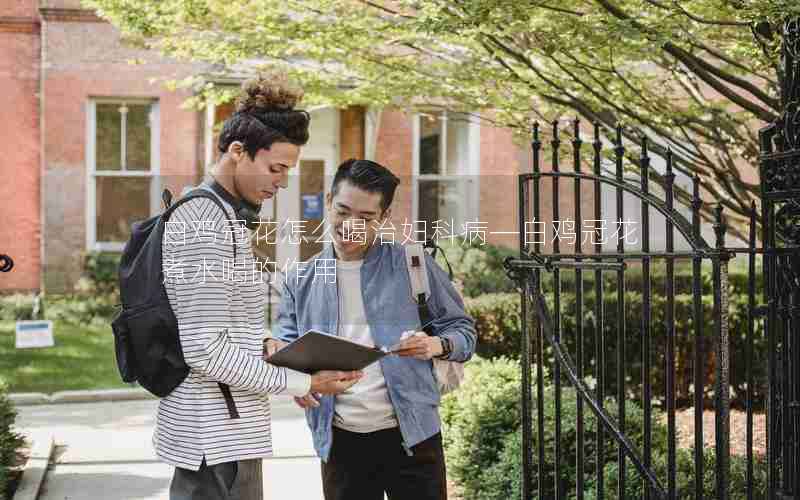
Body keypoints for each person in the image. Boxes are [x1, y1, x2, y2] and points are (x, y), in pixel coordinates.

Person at [157, 75, 362, 500]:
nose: (283, 181)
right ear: (237, 152)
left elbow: (225, 324)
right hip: (213, 440)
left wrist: (269, 345)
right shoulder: (205, 224)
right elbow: (203, 348)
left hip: (228, 432)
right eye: (276, 168)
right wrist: (304, 384)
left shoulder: (222, 217)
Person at [267, 159, 477, 500]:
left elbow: (464, 332)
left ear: (384, 217)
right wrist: (297, 381)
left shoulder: (414, 265)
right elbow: (287, 343)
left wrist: (435, 345)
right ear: (327, 201)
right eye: (343, 211)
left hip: (413, 439)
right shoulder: (300, 278)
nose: (350, 226)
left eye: (365, 218)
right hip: (340, 443)